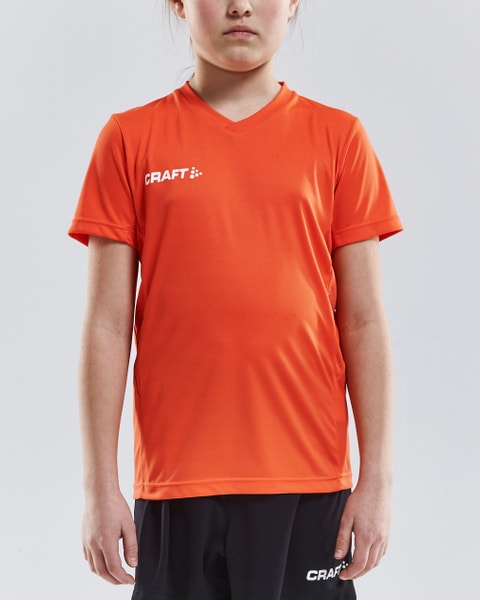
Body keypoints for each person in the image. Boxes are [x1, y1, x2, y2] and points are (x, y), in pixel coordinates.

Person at [69, 1, 403, 598]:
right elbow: (106, 326)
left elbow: (363, 321)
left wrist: (377, 478)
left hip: (307, 479)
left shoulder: (339, 138)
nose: (241, 6)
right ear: (178, 4)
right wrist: (99, 487)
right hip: (176, 484)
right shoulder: (128, 139)